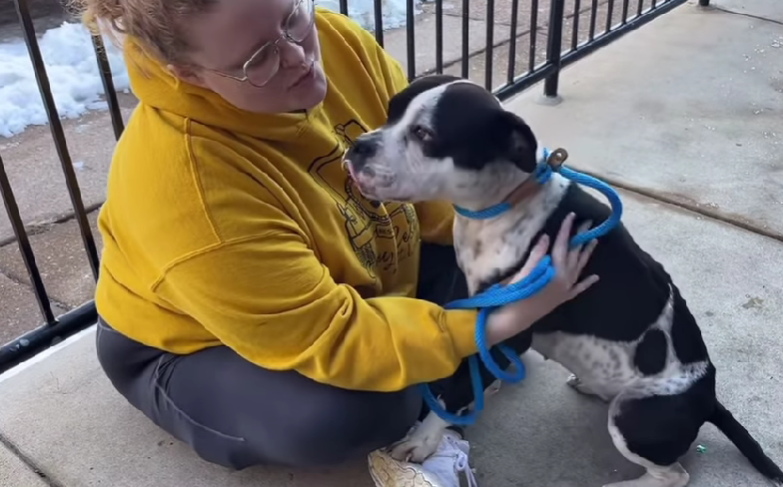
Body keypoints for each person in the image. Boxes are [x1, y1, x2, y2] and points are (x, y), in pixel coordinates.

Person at [77, 0, 600, 485]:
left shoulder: (335, 40)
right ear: (188, 74)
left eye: (290, 18)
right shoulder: (186, 189)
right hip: (193, 345)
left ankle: (445, 369)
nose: (298, 56)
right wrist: (502, 321)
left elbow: (431, 182)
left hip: (366, 268)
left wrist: (512, 235)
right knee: (354, 410)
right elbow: (330, 333)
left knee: (528, 254)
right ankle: (434, 388)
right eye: (258, 59)